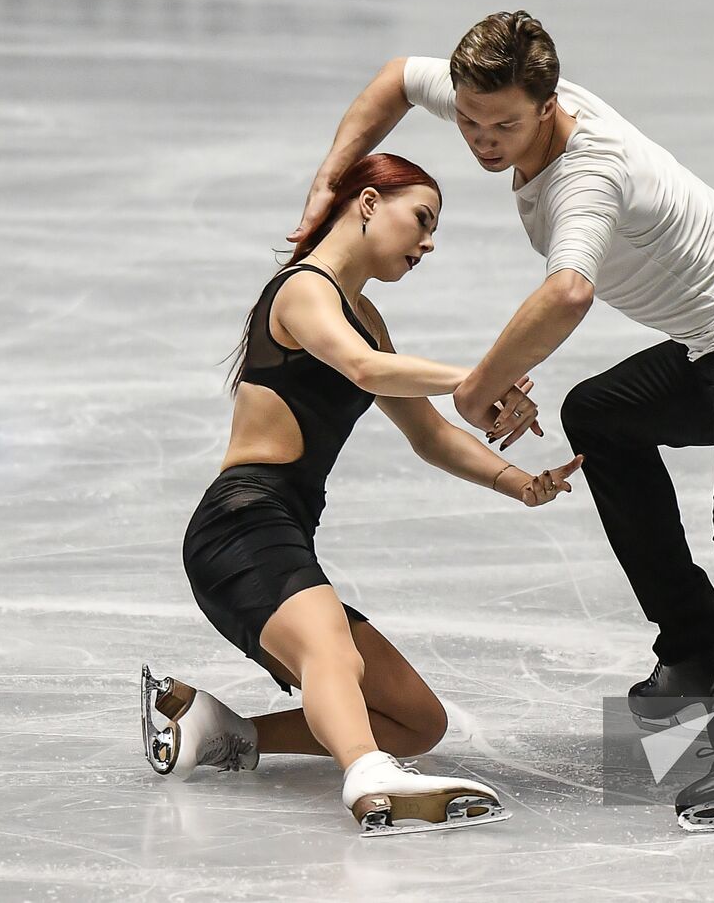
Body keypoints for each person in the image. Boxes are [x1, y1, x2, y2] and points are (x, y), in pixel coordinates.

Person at [290, 12, 714, 831]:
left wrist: (482, 383)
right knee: (601, 415)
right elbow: (393, 82)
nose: (483, 141)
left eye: (504, 126)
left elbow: (569, 292)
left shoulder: (587, 174)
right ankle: (694, 648)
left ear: (548, 104)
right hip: (710, 351)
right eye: (471, 123)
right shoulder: (488, 96)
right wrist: (323, 186)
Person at [142, 152, 583, 837]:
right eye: (423, 219)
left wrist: (523, 483)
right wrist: (484, 377)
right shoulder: (301, 290)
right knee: (334, 656)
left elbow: (430, 434)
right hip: (241, 526)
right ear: (370, 203)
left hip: (281, 528)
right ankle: (367, 772)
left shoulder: (367, 316)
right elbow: (363, 367)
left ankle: (223, 732)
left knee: (416, 718)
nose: (428, 242)